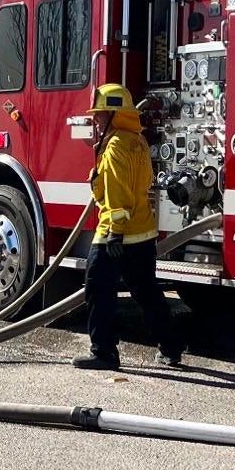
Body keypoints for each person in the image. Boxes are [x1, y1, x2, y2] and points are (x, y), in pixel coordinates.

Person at [75, 82, 186, 371]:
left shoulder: (114, 147)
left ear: (113, 115)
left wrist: (114, 233)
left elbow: (118, 194)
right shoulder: (137, 141)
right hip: (143, 233)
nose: (95, 121)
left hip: (115, 233)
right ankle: (171, 348)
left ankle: (103, 353)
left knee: (98, 290)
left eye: (100, 115)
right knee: (147, 292)